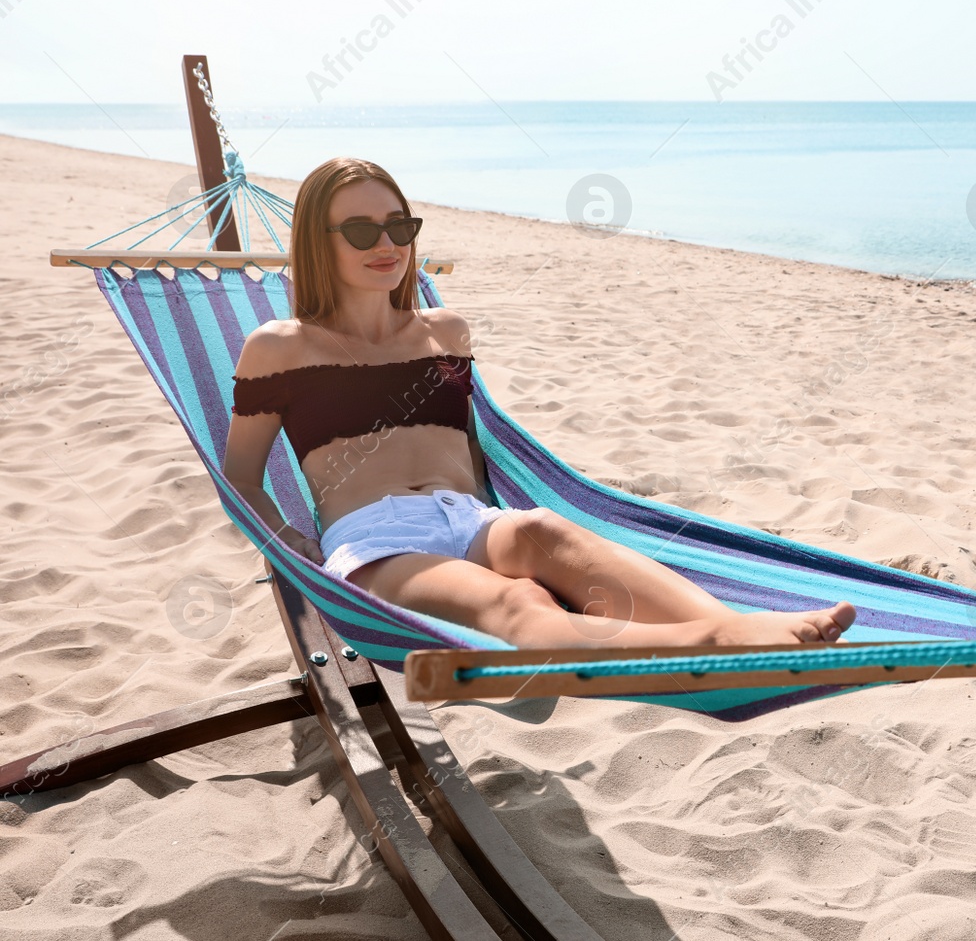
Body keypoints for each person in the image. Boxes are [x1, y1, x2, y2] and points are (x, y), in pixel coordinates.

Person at [221, 156, 855, 649]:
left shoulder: (446, 332)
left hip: (468, 518)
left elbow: (468, 444)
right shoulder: (280, 348)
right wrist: (286, 537)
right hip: (375, 542)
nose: (386, 242)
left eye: (399, 225)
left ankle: (742, 631)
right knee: (520, 601)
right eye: (360, 229)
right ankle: (709, 641)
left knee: (542, 528)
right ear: (317, 240)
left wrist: (490, 514)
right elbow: (242, 477)